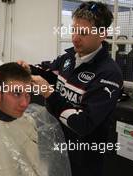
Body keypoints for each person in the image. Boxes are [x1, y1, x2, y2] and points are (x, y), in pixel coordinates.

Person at [18, 1, 123, 176]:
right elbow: (51, 74)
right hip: (56, 147)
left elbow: (83, 124)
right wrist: (30, 69)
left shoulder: (109, 74)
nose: (75, 38)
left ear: (102, 34)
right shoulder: (69, 58)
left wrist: (49, 93)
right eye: (74, 29)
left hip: (84, 159)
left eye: (83, 33)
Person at [0, 62, 71, 176]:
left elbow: (33, 168)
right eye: (16, 94)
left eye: (27, 94)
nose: (24, 103)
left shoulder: (28, 122)